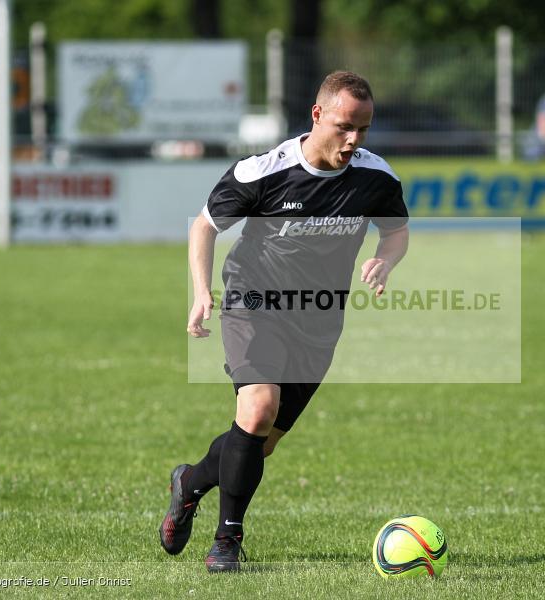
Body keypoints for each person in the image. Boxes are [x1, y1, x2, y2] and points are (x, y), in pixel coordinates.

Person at [160, 71, 409, 572]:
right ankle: (227, 540)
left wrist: (387, 258)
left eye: (363, 128)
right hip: (254, 303)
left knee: (260, 442)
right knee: (258, 407)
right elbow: (205, 227)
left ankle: (189, 483)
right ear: (317, 116)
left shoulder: (375, 176)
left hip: (318, 321)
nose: (354, 139)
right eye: (344, 126)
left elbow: (397, 230)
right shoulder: (264, 171)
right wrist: (201, 291)